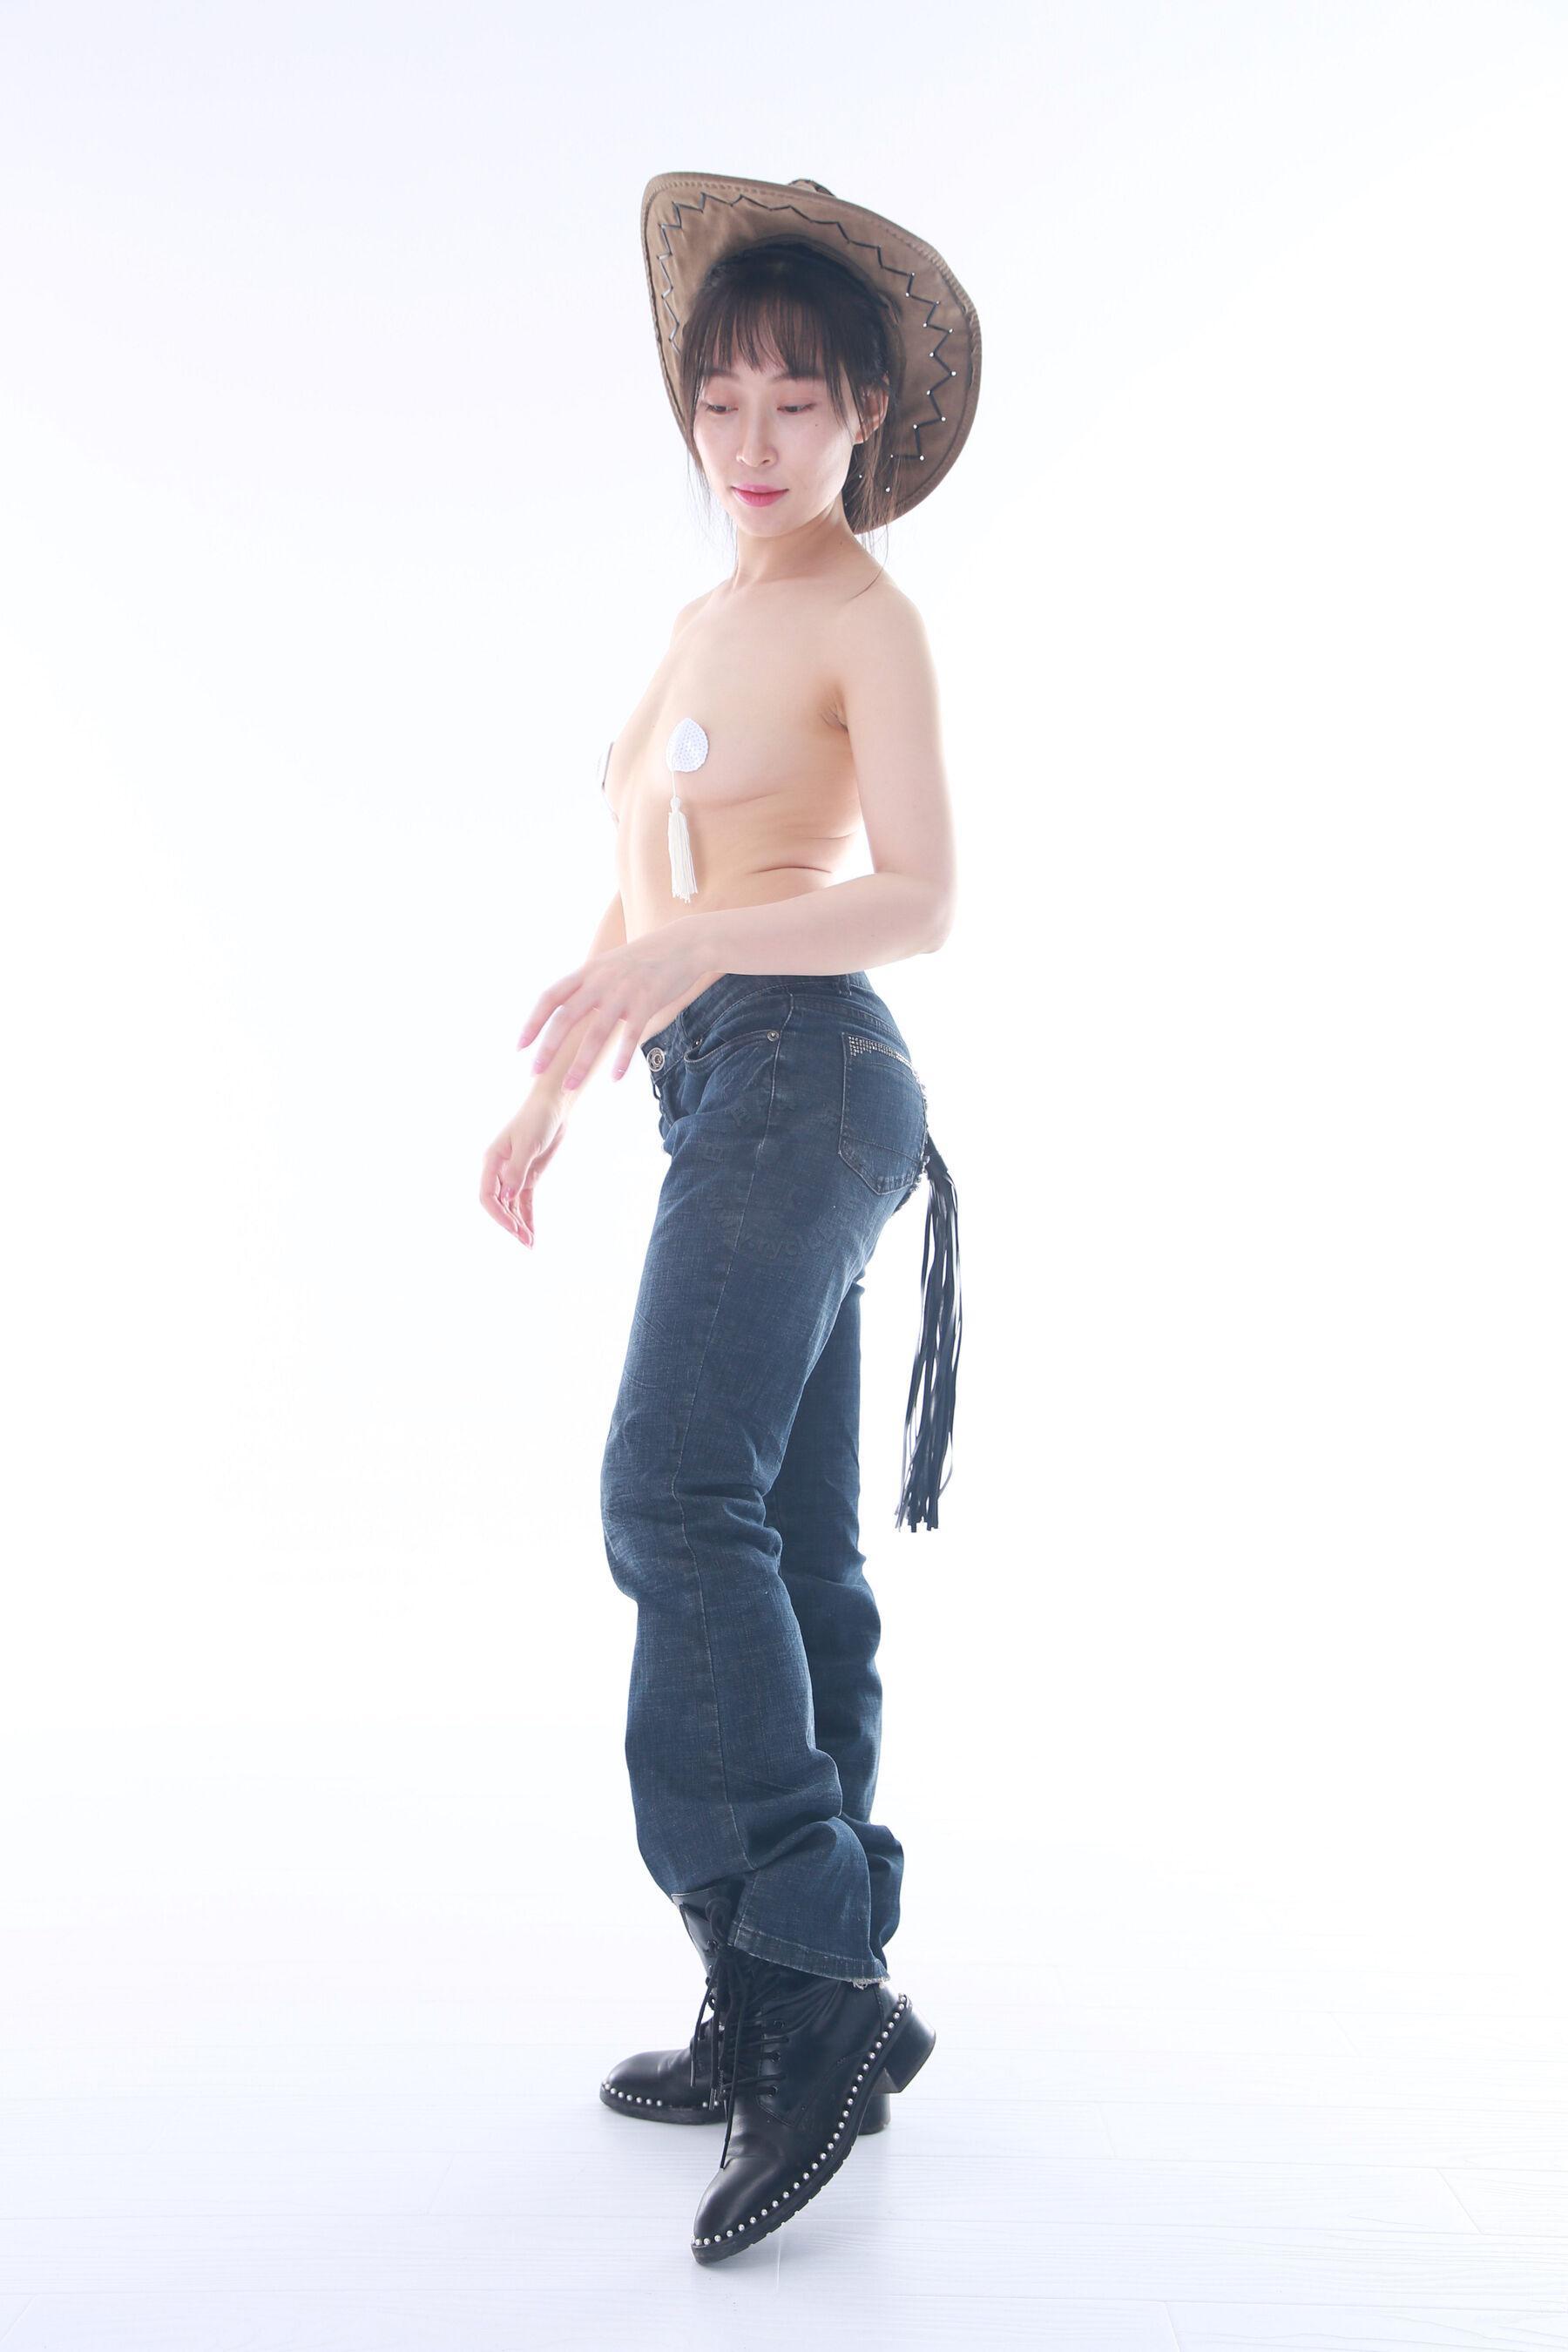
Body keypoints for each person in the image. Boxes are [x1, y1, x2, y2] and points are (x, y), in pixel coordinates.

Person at [479, 170, 980, 2265]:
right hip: (724, 1086)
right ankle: (815, 1972)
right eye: (721, 402)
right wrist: (556, 1081)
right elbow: (652, 886)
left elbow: (921, 897)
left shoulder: (865, 618)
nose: (754, 440)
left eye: (796, 400)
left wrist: (693, 960)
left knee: (669, 1494)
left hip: (810, 1070)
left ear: (865, 411)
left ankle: (802, 1977)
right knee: (775, 1535)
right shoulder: (704, 622)